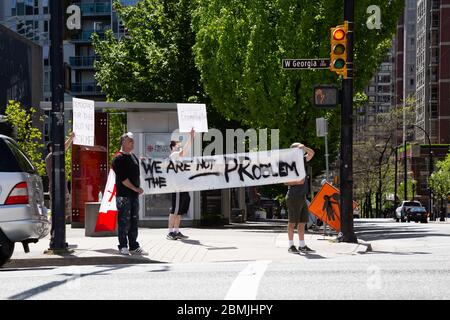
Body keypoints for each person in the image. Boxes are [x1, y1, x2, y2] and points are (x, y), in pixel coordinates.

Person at [112, 132, 148, 256]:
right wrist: (135, 188)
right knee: (123, 221)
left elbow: (138, 173)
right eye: (130, 141)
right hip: (124, 196)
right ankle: (123, 246)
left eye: (133, 141)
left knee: (133, 221)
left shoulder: (133, 156)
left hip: (133, 195)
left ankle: (133, 245)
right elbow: (123, 179)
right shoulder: (118, 158)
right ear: (123, 142)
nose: (132, 143)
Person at [285, 142, 315, 254]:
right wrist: (297, 182)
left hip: (302, 196)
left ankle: (302, 245)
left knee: (302, 222)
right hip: (293, 195)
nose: (301, 151)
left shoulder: (302, 160)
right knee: (292, 222)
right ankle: (291, 245)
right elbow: (284, 182)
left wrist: (305, 147)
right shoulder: (288, 163)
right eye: (298, 149)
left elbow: (311, 153)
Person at [166, 128, 195, 240]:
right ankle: (170, 232)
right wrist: (191, 138)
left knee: (179, 210)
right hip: (177, 187)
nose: (179, 144)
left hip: (182, 186)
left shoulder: (178, 157)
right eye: (177, 143)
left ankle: (176, 231)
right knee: (175, 209)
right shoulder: (174, 155)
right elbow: (184, 151)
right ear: (173, 145)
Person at [45, 132, 75, 221]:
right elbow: (64, 148)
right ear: (50, 148)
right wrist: (71, 138)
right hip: (56, 187)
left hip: (61, 187)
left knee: (64, 210)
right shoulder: (50, 156)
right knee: (56, 209)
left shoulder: (56, 158)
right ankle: (54, 225)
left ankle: (56, 223)